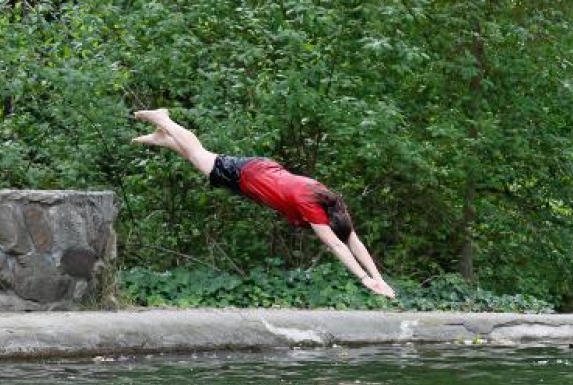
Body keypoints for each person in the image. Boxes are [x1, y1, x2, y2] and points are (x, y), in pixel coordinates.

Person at [131, 108, 396, 299]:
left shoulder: (332, 202)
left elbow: (353, 241)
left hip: (261, 173)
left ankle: (164, 140)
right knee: (202, 156)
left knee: (205, 163)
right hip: (250, 175)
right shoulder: (313, 208)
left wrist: (379, 279)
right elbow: (337, 244)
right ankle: (165, 120)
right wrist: (364, 279)